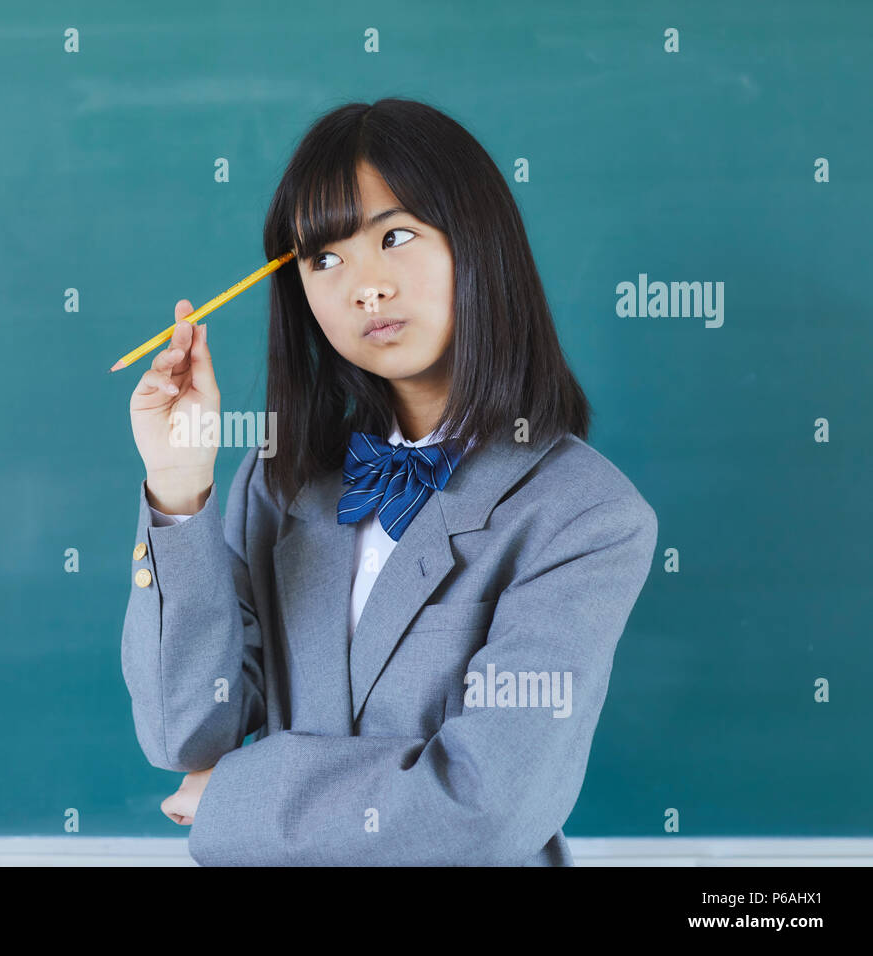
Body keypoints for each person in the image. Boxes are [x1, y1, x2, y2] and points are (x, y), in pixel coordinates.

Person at [120, 98, 658, 866]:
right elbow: (185, 733)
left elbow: (482, 808)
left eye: (396, 237)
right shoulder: (278, 482)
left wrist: (238, 798)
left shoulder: (585, 515)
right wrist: (178, 489)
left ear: (477, 241)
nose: (363, 286)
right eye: (324, 259)